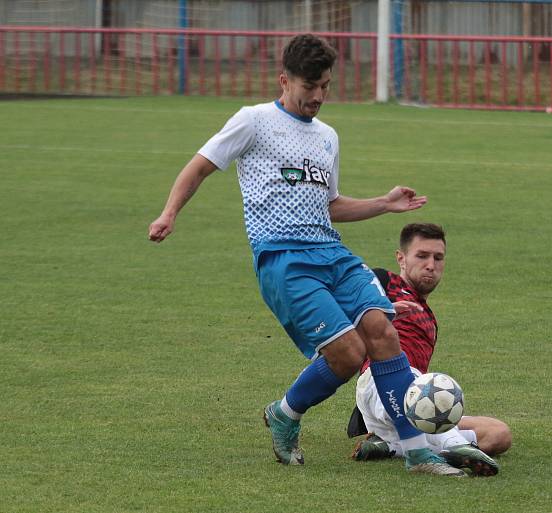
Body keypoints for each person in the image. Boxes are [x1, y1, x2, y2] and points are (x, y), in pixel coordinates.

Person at [148, 34, 465, 476]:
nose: (318, 96)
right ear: (285, 80)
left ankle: (416, 451)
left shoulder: (328, 137)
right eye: (309, 87)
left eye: (325, 87)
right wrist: (169, 213)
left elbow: (329, 205)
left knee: (383, 331)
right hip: (284, 260)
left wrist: (383, 203)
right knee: (348, 355)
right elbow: (200, 165)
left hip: (331, 253)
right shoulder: (253, 121)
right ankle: (285, 413)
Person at [347, 223, 512, 476]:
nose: (431, 265)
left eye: (438, 258)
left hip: (408, 403)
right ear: (401, 258)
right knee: (422, 385)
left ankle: (391, 447)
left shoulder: (429, 318)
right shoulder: (382, 282)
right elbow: (343, 320)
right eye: (422, 256)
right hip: (381, 382)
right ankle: (455, 446)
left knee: (498, 435)